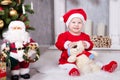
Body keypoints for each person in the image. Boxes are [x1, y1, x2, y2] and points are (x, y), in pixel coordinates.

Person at [55, 8, 118, 76]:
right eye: (73, 22)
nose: (76, 25)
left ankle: (105, 67)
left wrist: (87, 44)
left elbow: (91, 45)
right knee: (70, 66)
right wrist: (67, 44)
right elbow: (58, 44)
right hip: (68, 60)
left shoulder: (85, 36)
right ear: (68, 24)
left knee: (95, 63)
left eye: (79, 22)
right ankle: (73, 71)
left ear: (83, 24)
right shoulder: (64, 35)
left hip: (83, 59)